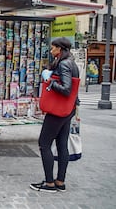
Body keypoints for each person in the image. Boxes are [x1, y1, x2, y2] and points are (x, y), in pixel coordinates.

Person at [30, 37, 80, 193]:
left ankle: (49, 183)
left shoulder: (64, 64)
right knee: (61, 144)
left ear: (60, 49)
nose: (51, 51)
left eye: (53, 48)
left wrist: (49, 80)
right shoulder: (72, 63)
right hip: (68, 110)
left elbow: (66, 89)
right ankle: (60, 181)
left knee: (44, 144)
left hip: (58, 111)